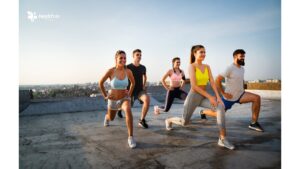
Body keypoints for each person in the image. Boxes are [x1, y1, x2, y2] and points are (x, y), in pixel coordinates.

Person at [164, 45, 235, 150]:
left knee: (220, 108)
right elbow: (194, 86)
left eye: (204, 52)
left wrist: (218, 97)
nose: (203, 54)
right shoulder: (191, 66)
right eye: (201, 52)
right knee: (184, 122)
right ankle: (169, 120)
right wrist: (210, 97)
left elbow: (212, 82)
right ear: (195, 53)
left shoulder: (207, 67)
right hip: (193, 96)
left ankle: (222, 138)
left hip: (203, 95)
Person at [209, 49, 264, 132]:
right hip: (229, 98)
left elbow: (240, 80)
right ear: (235, 57)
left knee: (257, 98)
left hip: (241, 95)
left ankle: (253, 123)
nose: (243, 58)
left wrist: (243, 87)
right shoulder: (229, 68)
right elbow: (217, 80)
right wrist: (223, 93)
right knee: (217, 114)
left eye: (244, 57)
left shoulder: (242, 69)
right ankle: (203, 112)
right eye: (241, 56)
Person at [99, 50, 137, 149]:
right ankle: (106, 118)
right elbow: (100, 83)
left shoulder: (128, 71)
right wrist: (105, 96)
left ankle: (131, 137)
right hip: (113, 100)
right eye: (121, 58)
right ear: (116, 59)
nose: (123, 60)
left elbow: (133, 83)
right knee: (111, 118)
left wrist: (129, 93)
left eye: (125, 58)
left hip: (124, 98)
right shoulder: (111, 71)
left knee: (128, 110)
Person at [117, 49, 150, 129]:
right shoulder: (128, 67)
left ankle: (142, 120)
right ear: (133, 56)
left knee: (147, 99)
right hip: (130, 91)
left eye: (140, 55)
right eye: (137, 55)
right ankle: (119, 109)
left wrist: (144, 85)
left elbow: (145, 77)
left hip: (139, 91)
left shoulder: (143, 67)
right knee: (127, 108)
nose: (139, 56)